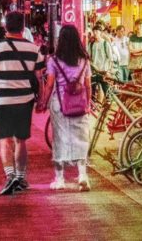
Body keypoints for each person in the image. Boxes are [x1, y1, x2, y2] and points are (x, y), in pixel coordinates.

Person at [0, 11, 46, 196]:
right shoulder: (34, 49)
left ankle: (10, 176)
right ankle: (21, 176)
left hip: (3, 99)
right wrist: (41, 99)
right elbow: (39, 77)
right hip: (25, 100)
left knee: (5, 139)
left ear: (5, 27)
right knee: (21, 140)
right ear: (22, 27)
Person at [41, 25, 92, 192]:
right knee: (81, 139)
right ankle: (83, 175)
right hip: (79, 103)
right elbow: (88, 85)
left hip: (59, 104)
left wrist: (43, 102)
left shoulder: (53, 61)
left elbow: (49, 85)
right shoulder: (84, 59)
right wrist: (89, 103)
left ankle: (60, 178)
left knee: (59, 140)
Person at [88, 26, 114, 101]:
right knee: (92, 92)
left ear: (101, 32)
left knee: (106, 90)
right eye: (94, 31)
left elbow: (110, 58)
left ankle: (108, 106)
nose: (95, 33)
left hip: (103, 71)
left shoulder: (105, 43)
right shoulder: (91, 44)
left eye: (97, 31)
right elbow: (89, 57)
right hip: (94, 71)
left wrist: (109, 71)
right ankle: (94, 108)